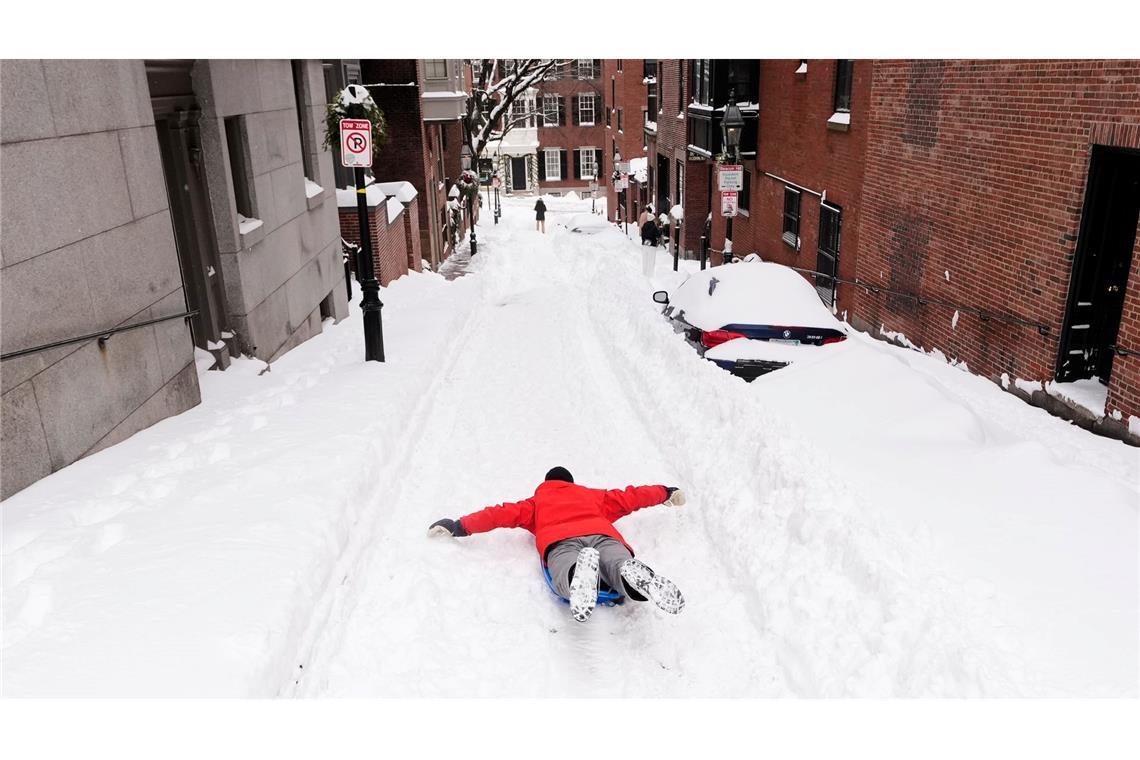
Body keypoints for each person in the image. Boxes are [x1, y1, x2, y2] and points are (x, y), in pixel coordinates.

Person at [428, 466, 687, 623]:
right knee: (616, 560)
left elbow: (498, 514)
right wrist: (665, 492)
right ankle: (629, 574)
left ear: (545, 483)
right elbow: (631, 496)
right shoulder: (594, 496)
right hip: (603, 535)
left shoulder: (535, 503)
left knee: (565, 566)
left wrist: (458, 526)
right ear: (570, 483)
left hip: (560, 540)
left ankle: (577, 575)